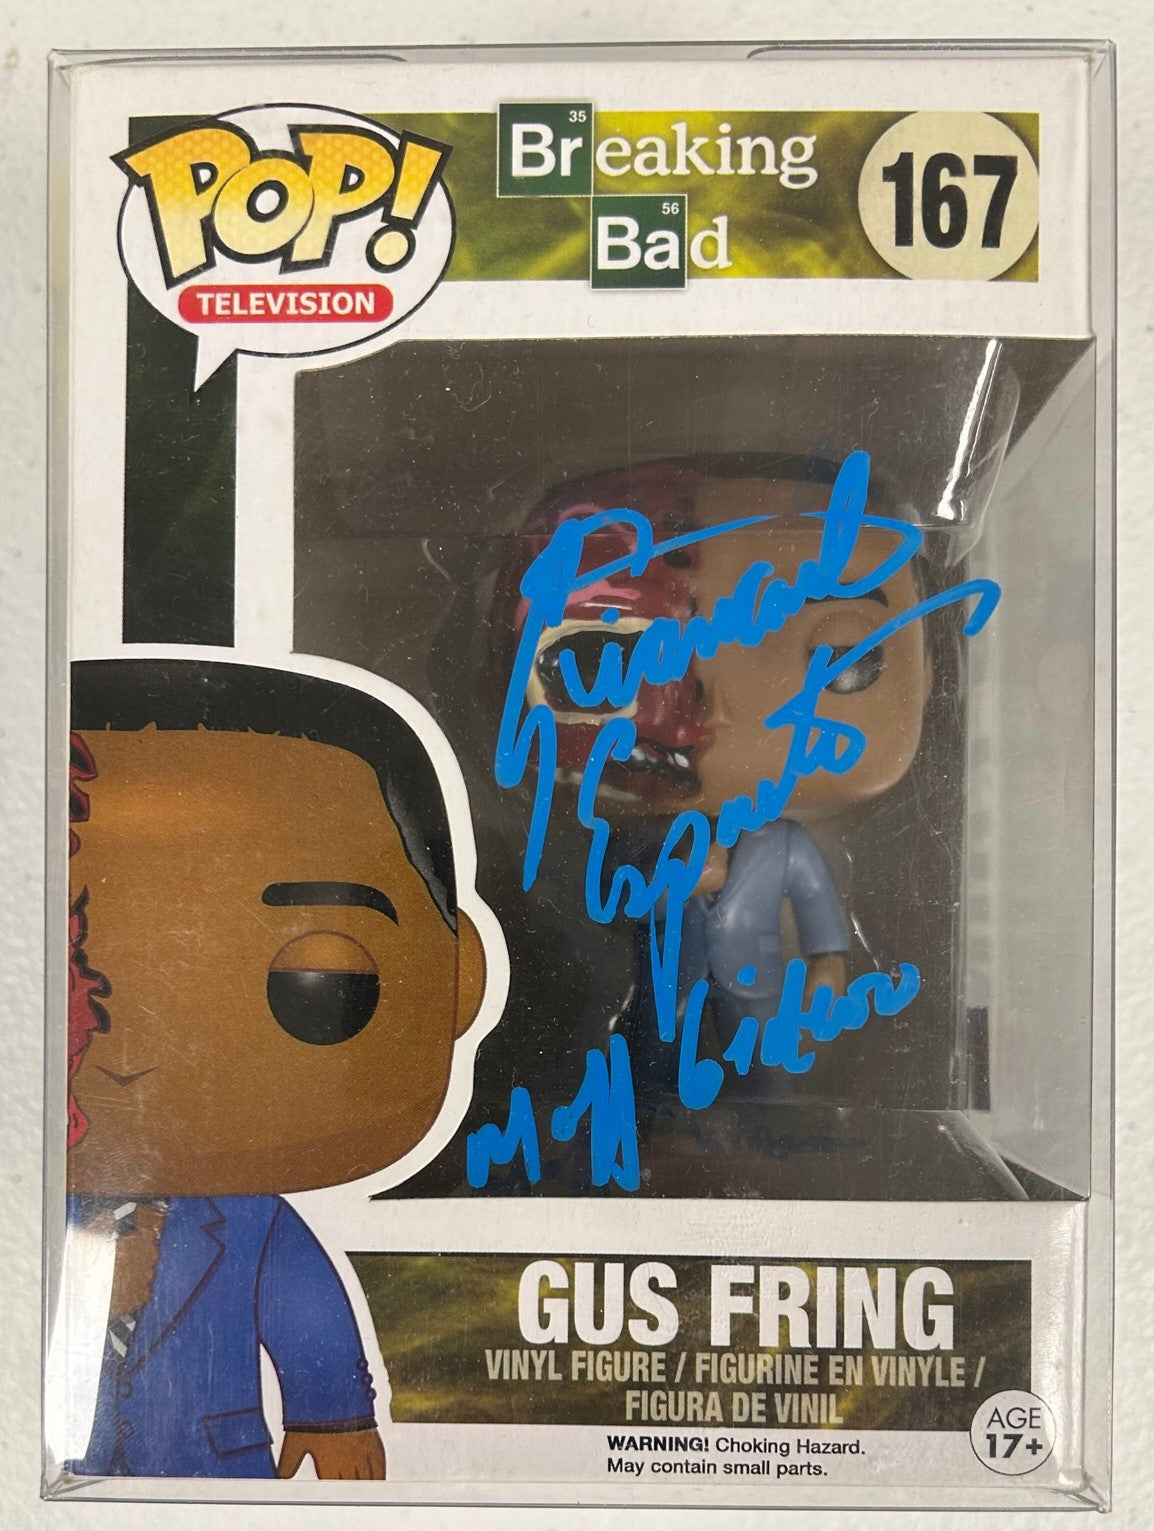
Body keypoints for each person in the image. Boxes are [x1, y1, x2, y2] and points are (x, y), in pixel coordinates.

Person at [60, 658, 489, 1479]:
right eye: (72, 971)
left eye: (317, 984)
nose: (134, 1052)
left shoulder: (251, 1219)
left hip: (215, 1478)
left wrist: (332, 1414)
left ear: (458, 978)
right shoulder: (33, 1207)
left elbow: (305, 1306)